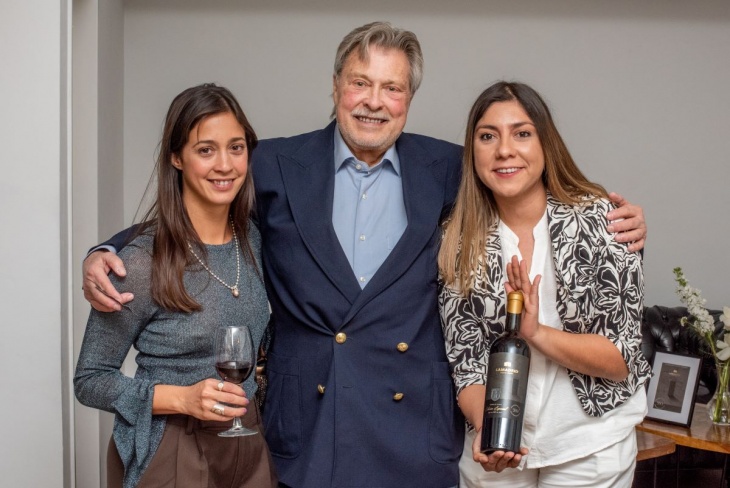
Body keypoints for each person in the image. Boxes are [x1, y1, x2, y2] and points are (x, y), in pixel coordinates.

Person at [81, 23, 647, 488]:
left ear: (409, 99)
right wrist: (109, 248)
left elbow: (523, 183)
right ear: (335, 87)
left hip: (411, 424)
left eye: (392, 88)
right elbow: (206, 193)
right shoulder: (276, 164)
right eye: (360, 83)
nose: (374, 102)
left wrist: (613, 215)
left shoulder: (453, 168)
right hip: (310, 419)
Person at [438, 81, 651, 488]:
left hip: (588, 445)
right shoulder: (456, 239)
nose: (504, 150)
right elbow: (465, 363)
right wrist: (489, 430)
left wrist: (535, 333)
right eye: (487, 136)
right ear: (473, 152)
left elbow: (620, 359)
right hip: (496, 449)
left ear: (544, 143)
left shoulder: (603, 223)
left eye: (522, 133)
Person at [74, 84, 277, 488]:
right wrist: (181, 398)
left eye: (236, 147)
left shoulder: (255, 240)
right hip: (172, 444)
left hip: (249, 441)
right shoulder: (139, 261)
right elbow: (90, 379)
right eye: (205, 150)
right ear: (176, 157)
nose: (225, 164)